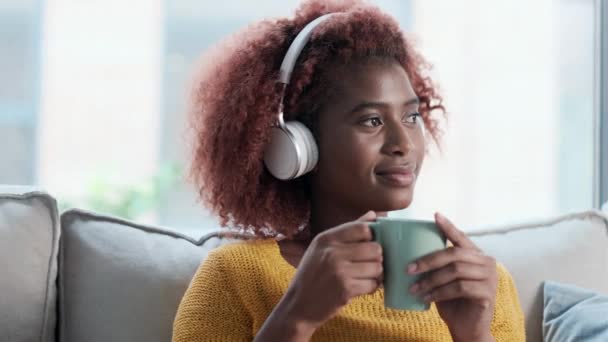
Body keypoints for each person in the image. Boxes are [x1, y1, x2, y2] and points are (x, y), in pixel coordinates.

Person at [172, 0, 525, 341]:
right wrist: (297, 314)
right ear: (297, 144)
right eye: (371, 120)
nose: (403, 143)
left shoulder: (480, 283)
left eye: (411, 116)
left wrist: (474, 334)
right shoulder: (234, 276)